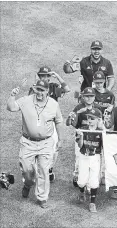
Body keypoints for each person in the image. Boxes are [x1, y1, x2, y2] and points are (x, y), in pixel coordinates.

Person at [7, 80, 63, 208]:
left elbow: (59, 122)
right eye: (38, 89)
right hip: (28, 142)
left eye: (42, 90)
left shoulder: (53, 104)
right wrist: (12, 95)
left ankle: (42, 198)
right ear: (34, 89)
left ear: (47, 91)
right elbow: (11, 107)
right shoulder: (26, 100)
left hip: (46, 143)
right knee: (27, 170)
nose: (39, 92)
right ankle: (28, 183)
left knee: (43, 169)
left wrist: (61, 139)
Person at [29, 66, 70, 182]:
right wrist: (35, 84)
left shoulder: (53, 87)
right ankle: (38, 170)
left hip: (52, 122)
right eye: (42, 75)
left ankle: (50, 168)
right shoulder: (35, 88)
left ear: (49, 77)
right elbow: (29, 100)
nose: (44, 78)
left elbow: (67, 89)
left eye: (46, 76)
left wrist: (57, 76)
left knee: (55, 147)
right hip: (38, 122)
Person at [66, 87, 103, 188]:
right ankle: (77, 176)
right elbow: (69, 123)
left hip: (94, 138)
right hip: (81, 136)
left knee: (94, 159)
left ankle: (92, 182)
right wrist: (77, 113)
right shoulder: (78, 107)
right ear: (83, 97)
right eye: (87, 96)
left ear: (94, 97)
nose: (89, 98)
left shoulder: (98, 108)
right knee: (79, 158)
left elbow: (101, 124)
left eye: (91, 96)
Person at [76, 108, 103, 212]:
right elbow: (80, 145)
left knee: (94, 181)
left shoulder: (101, 131)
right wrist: (81, 136)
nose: (90, 120)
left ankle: (92, 202)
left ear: (98, 119)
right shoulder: (83, 128)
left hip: (95, 157)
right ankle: (81, 192)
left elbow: (107, 143)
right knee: (81, 181)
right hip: (84, 156)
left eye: (92, 118)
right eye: (88, 118)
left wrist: (102, 128)